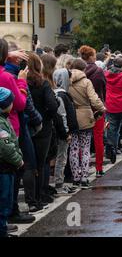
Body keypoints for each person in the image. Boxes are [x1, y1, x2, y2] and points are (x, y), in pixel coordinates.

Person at [4, 43, 41, 220]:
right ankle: (11, 212)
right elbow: (20, 103)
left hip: (12, 125)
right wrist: (21, 81)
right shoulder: (8, 76)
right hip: (12, 126)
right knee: (14, 169)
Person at [27, 53, 59, 205]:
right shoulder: (43, 83)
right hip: (43, 127)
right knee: (41, 162)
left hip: (27, 125)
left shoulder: (22, 82)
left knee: (28, 164)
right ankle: (39, 195)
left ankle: (31, 197)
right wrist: (47, 116)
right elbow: (53, 105)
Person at [68, 59, 105, 189]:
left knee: (73, 148)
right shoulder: (86, 82)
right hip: (85, 116)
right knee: (85, 148)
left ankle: (75, 177)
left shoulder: (67, 80)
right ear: (83, 69)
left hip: (71, 115)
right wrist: (102, 108)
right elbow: (94, 99)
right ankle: (84, 176)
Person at [79, 46, 107, 177]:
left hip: (82, 108)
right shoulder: (98, 71)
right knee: (98, 138)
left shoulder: (78, 71)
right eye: (94, 55)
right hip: (97, 108)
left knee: (82, 140)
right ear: (90, 56)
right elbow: (103, 88)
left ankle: (81, 168)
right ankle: (99, 167)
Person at [0, 88, 24, 238]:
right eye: (10, 103)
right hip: (4, 168)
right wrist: (18, 159)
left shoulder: (4, 119)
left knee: (6, 201)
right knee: (3, 201)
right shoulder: (1, 123)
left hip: (7, 168)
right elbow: (5, 147)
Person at [53, 68, 79, 195]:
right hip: (62, 131)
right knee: (61, 157)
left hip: (60, 130)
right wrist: (67, 132)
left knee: (62, 157)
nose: (70, 80)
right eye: (69, 78)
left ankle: (60, 183)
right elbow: (62, 115)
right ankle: (59, 184)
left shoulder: (58, 93)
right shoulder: (61, 95)